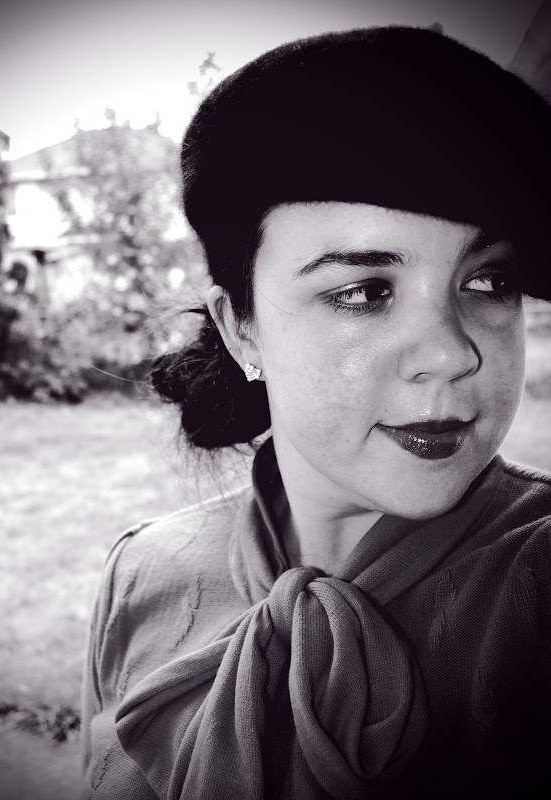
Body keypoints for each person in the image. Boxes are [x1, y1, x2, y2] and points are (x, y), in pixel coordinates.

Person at [81, 25, 551, 800]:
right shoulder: (140, 574)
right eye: (364, 291)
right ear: (241, 328)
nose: (452, 353)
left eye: (488, 280)